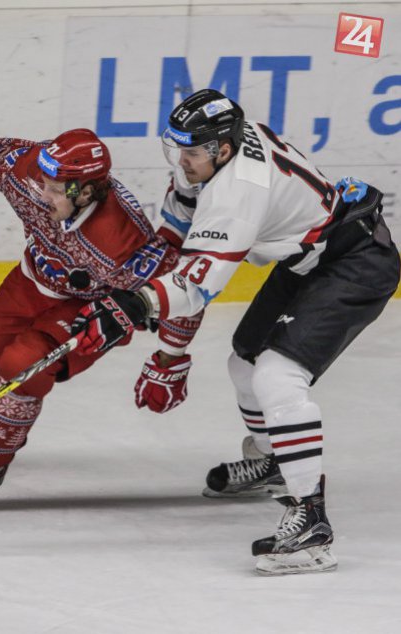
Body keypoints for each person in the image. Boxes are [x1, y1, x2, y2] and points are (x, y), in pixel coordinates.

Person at [69, 89, 400, 575]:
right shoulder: (214, 158)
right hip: (310, 257)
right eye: (178, 148)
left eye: (192, 152)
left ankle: (312, 522)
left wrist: (134, 305)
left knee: (276, 376)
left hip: (354, 263)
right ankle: (273, 462)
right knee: (243, 362)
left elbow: (196, 286)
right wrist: (132, 291)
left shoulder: (237, 192)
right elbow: (178, 227)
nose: (182, 161)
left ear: (222, 150)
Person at [0, 129, 201, 511]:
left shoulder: (121, 238)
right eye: (43, 182)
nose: (42, 194)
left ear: (85, 193)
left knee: (22, 365)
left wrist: (171, 359)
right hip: (32, 280)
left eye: (55, 189)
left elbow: (182, 288)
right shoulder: (30, 173)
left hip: (86, 308)